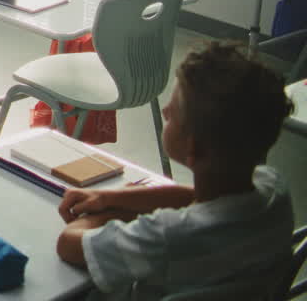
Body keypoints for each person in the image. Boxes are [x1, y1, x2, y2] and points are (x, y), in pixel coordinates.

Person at [54, 41, 293, 300]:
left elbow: (70, 245)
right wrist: (109, 198)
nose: (165, 111)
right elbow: (195, 199)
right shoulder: (274, 191)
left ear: (194, 150)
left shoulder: (168, 236)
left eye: (174, 111)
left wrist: (109, 214)